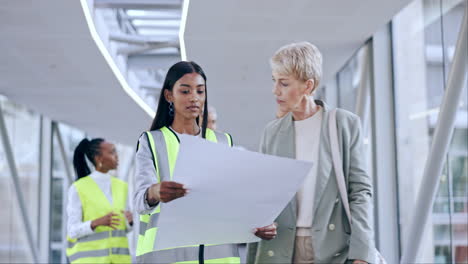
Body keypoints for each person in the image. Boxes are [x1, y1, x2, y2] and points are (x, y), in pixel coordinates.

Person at [133, 61, 276, 263]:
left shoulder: (223, 141)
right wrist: (155, 192)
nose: (194, 98)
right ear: (169, 96)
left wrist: (255, 224)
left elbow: (233, 200)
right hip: (167, 257)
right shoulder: (152, 142)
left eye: (200, 91)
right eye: (185, 91)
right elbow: (140, 200)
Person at [247, 42, 375, 264]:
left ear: (308, 86)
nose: (275, 90)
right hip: (281, 246)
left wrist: (362, 254)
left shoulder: (344, 124)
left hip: (332, 246)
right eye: (274, 81)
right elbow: (264, 196)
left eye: (284, 83)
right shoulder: (272, 133)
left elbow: (360, 192)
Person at [66, 138, 133, 264]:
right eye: (112, 152)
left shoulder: (122, 186)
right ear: (98, 158)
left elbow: (123, 228)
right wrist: (96, 222)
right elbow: (72, 231)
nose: (117, 156)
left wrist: (129, 222)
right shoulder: (78, 188)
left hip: (120, 260)